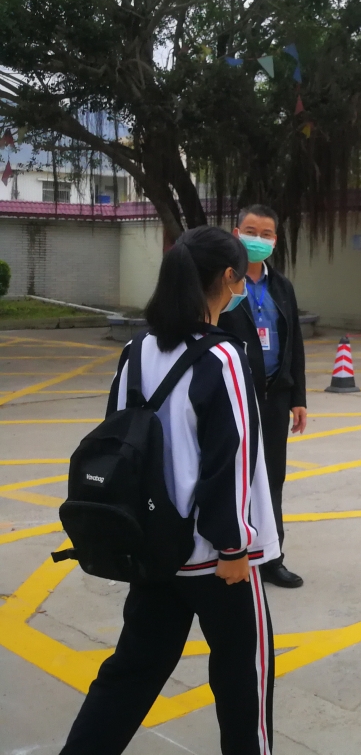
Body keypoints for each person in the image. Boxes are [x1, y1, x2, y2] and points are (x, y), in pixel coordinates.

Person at [61, 226, 276, 755]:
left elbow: (116, 439)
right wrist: (234, 546)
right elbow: (232, 459)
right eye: (239, 279)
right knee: (242, 678)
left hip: (153, 547)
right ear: (228, 278)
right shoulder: (222, 357)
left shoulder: (136, 350)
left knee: (132, 671)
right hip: (214, 557)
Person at [219, 204, 307, 589]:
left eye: (266, 234)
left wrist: (298, 397)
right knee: (232, 476)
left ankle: (272, 556)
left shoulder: (282, 287)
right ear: (236, 233)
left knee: (272, 479)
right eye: (251, 231)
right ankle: (229, 550)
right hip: (233, 396)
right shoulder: (222, 281)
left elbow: (295, 344)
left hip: (274, 398)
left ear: (275, 241)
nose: (259, 239)